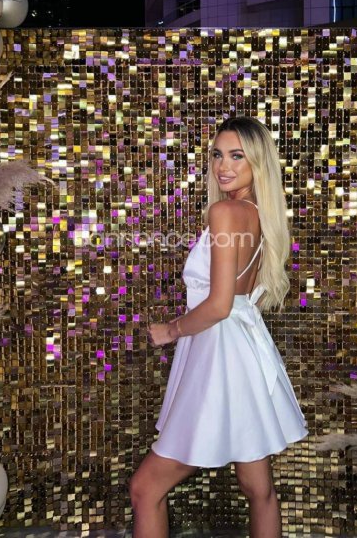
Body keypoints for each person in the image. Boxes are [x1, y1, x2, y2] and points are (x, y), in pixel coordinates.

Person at [129, 116, 309, 538]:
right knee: (259, 489)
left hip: (218, 354)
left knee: (145, 488)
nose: (223, 166)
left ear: (257, 163)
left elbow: (219, 305)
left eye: (236, 156)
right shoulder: (257, 213)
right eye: (217, 155)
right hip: (243, 350)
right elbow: (241, 300)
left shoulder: (225, 211)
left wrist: (171, 330)